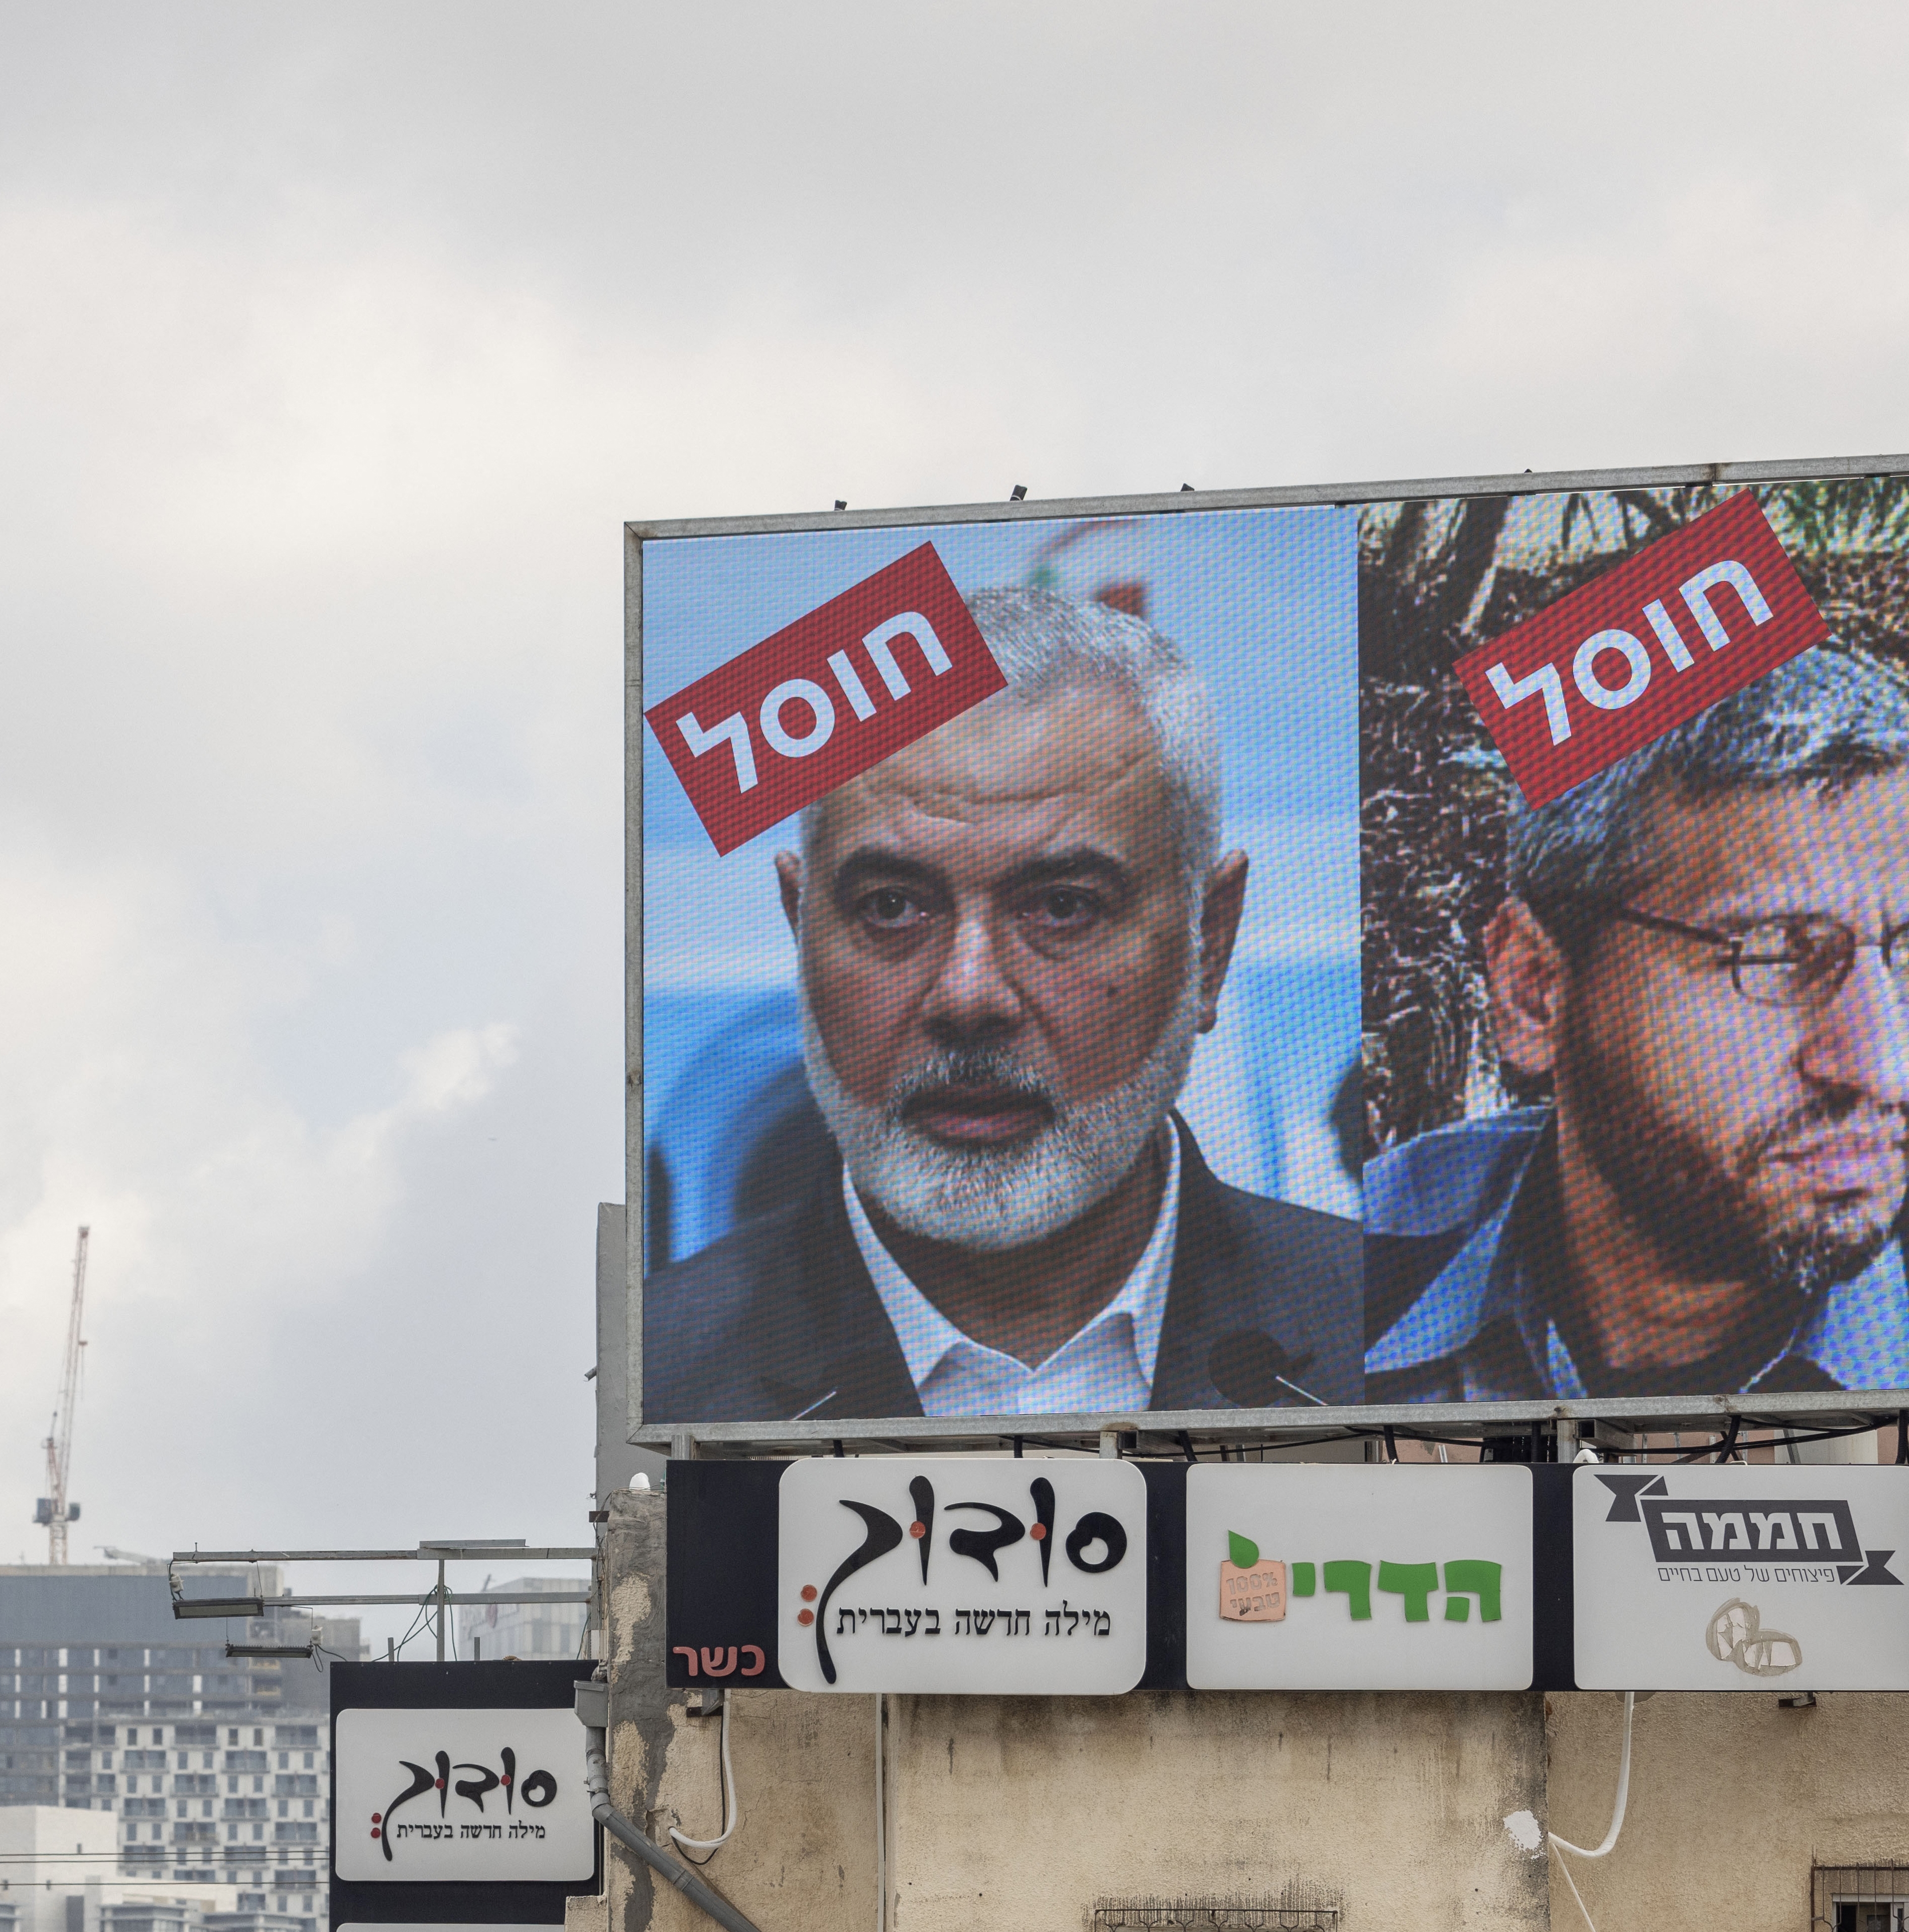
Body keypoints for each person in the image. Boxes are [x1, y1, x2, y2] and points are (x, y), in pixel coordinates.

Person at [646, 586, 1359, 1422]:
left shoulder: (1387, 1338)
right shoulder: (656, 1378)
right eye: (889, 908)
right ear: (801, 933)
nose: (967, 996)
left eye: (1062, 907)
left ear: (1210, 943)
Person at [1365, 645, 1909, 1402]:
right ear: (1535, 990)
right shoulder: (1333, 1270)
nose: (1883, 1066)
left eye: (1907, 953)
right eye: (1772, 954)